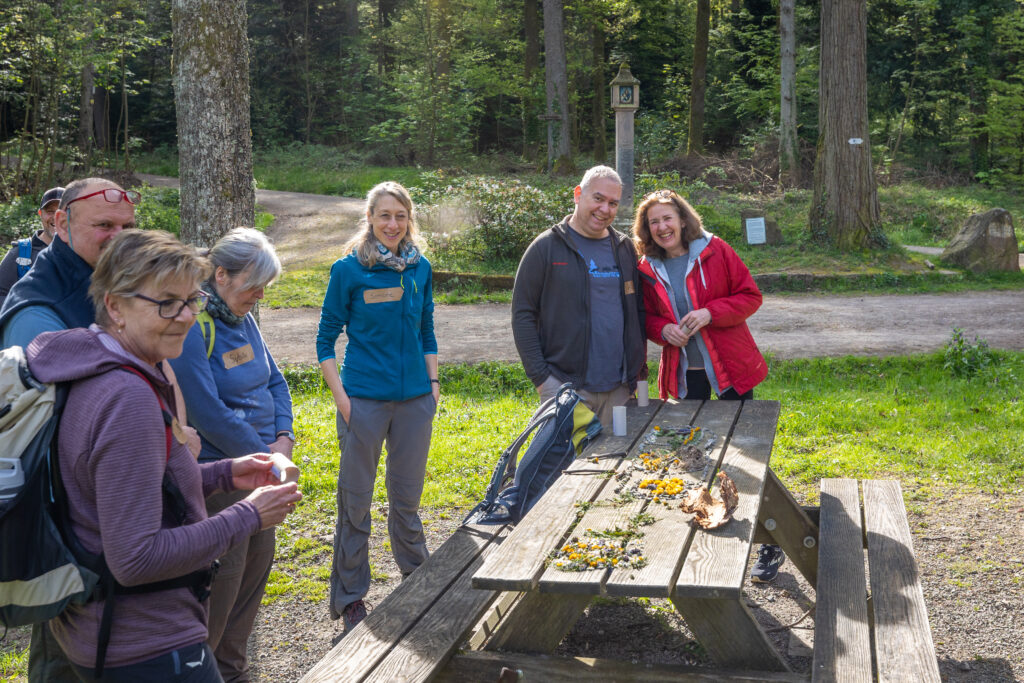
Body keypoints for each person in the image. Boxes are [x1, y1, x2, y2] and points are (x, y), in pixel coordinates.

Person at [24, 229, 301, 682]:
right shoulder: (126, 397)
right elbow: (135, 559)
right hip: (145, 645)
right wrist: (248, 516)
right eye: (166, 303)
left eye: (192, 300)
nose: (186, 317)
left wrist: (226, 472)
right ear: (115, 305)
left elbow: (138, 482)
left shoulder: (103, 365)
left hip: (113, 633)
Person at [631, 189, 780, 582]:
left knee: (749, 457)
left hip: (731, 367)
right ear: (646, 230)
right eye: (653, 222)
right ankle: (703, 532)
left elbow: (750, 296)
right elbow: (643, 317)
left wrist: (711, 312)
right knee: (694, 457)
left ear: (682, 219)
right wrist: (661, 329)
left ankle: (772, 541)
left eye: (668, 218)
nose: (662, 227)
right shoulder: (645, 267)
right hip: (685, 373)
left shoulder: (715, 250)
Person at [168, 227, 293, 682]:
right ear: (220, 275)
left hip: (264, 467)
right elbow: (208, 412)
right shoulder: (195, 324)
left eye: (265, 286)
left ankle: (233, 669)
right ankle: (206, 671)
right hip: (223, 478)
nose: (259, 296)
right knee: (223, 581)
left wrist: (284, 436)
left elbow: (277, 381)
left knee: (256, 574)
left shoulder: (245, 318)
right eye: (253, 285)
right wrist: (267, 457)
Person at [316, 181, 439, 633]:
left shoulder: (419, 268)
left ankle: (416, 574)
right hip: (363, 402)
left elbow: (427, 327)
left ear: (409, 220)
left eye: (400, 216)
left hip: (414, 403)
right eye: (384, 215)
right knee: (356, 500)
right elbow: (324, 339)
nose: (393, 224)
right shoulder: (348, 270)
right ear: (370, 218)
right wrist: (343, 399)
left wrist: (433, 383)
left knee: (406, 498)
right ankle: (350, 597)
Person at [510, 165, 646, 430]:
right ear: (577, 194)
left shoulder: (624, 248)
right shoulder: (545, 247)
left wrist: (636, 373)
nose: (605, 209)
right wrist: (543, 380)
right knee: (563, 469)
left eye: (613, 203)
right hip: (566, 388)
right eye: (598, 198)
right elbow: (522, 315)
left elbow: (637, 313)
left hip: (618, 390)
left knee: (612, 467)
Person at [0, 186, 63, 307]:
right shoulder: (20, 252)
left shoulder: (80, 254)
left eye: (61, 211)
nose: (56, 217)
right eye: (50, 211)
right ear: (40, 213)